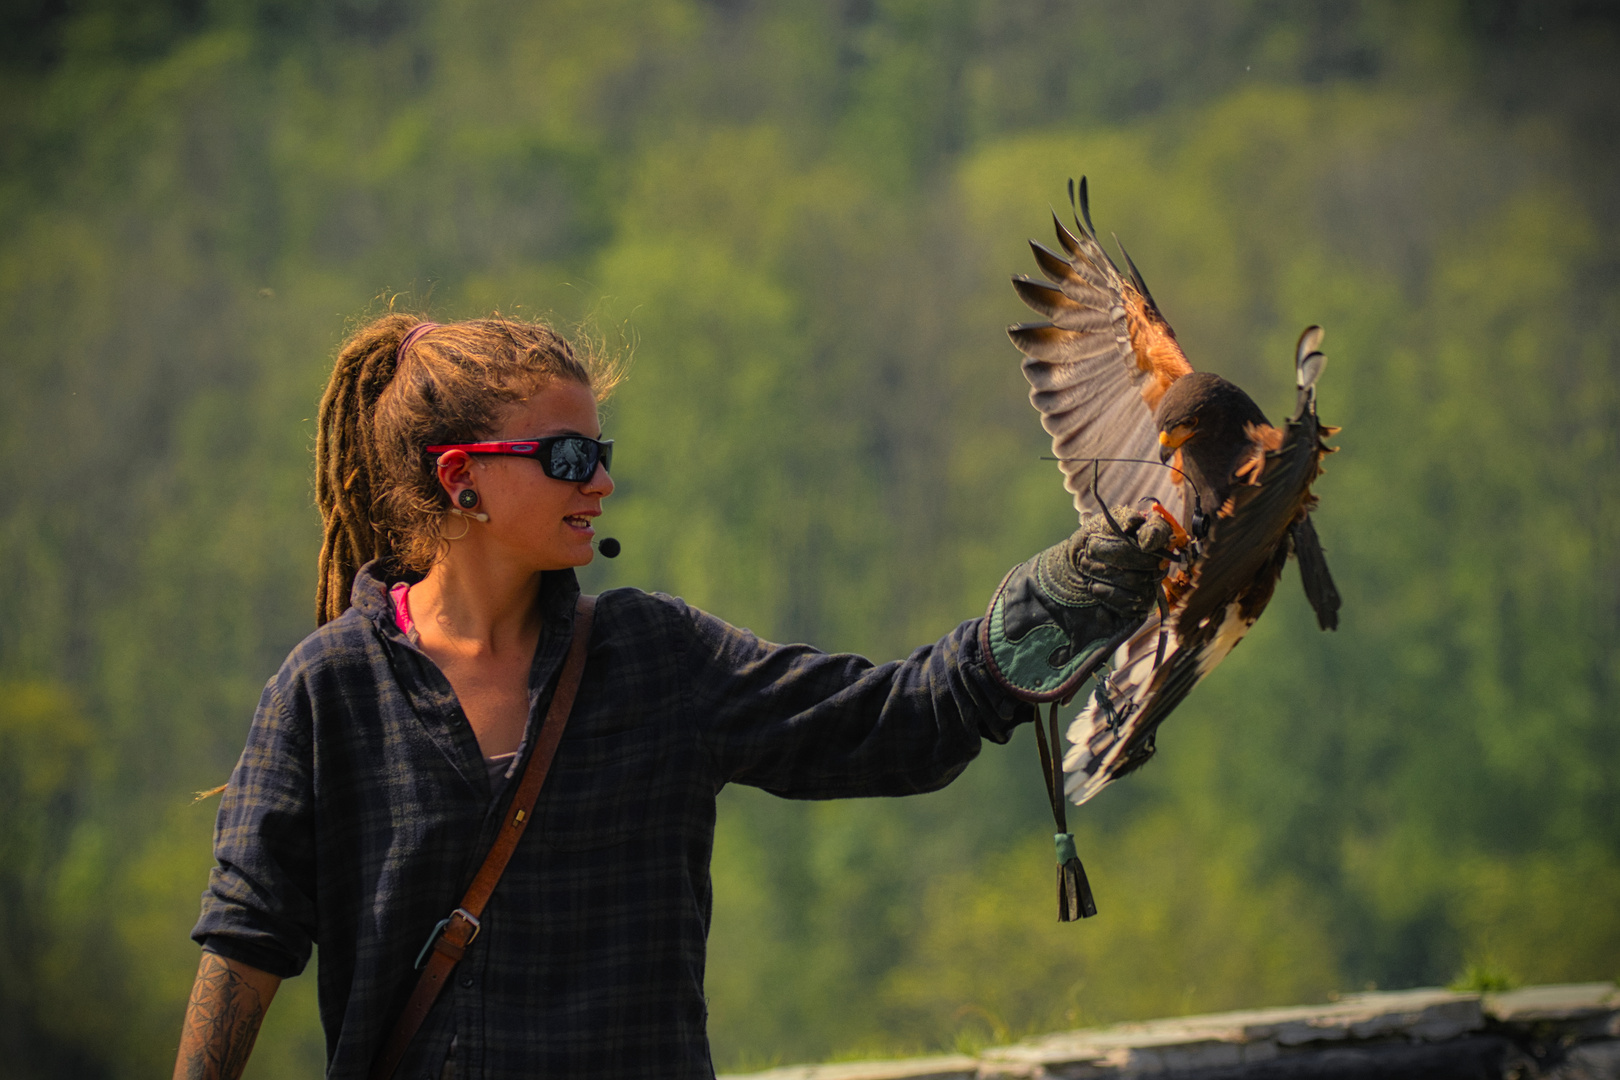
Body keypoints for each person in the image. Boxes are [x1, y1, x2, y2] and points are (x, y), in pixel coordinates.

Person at [174, 314, 1171, 1080]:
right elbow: (246, 939)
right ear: (461, 479)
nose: (599, 481)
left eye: (600, 453)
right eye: (567, 457)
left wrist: (1050, 610)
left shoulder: (655, 659)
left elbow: (893, 724)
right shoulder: (328, 690)